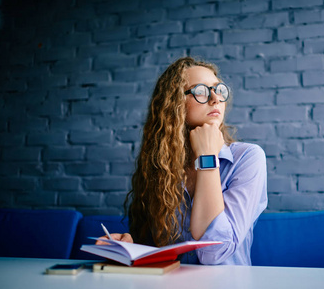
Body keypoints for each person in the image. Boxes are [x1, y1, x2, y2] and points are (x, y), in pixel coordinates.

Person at [98, 57, 267, 265]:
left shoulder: (248, 158)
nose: (215, 99)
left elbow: (214, 253)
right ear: (175, 104)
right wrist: (130, 246)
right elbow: (160, 250)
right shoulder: (161, 166)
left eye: (218, 89)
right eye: (201, 91)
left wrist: (207, 157)